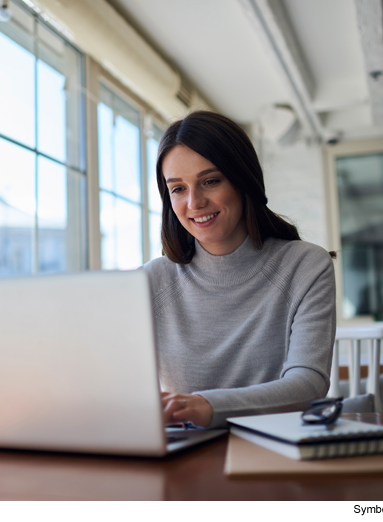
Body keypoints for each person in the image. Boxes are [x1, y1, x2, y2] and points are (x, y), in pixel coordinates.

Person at [143, 111, 336, 429]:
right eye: (178, 189)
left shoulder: (306, 266)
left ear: (243, 179)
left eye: (210, 181)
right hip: (184, 453)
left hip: (275, 448)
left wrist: (207, 405)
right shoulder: (150, 280)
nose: (194, 202)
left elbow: (309, 384)